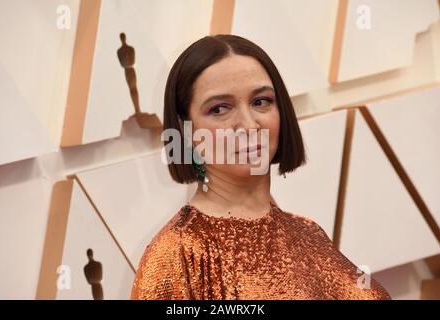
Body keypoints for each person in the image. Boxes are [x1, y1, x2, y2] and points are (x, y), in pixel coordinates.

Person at [130, 34, 391, 300]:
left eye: (260, 101)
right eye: (219, 108)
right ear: (185, 130)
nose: (248, 124)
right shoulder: (177, 255)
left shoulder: (307, 232)